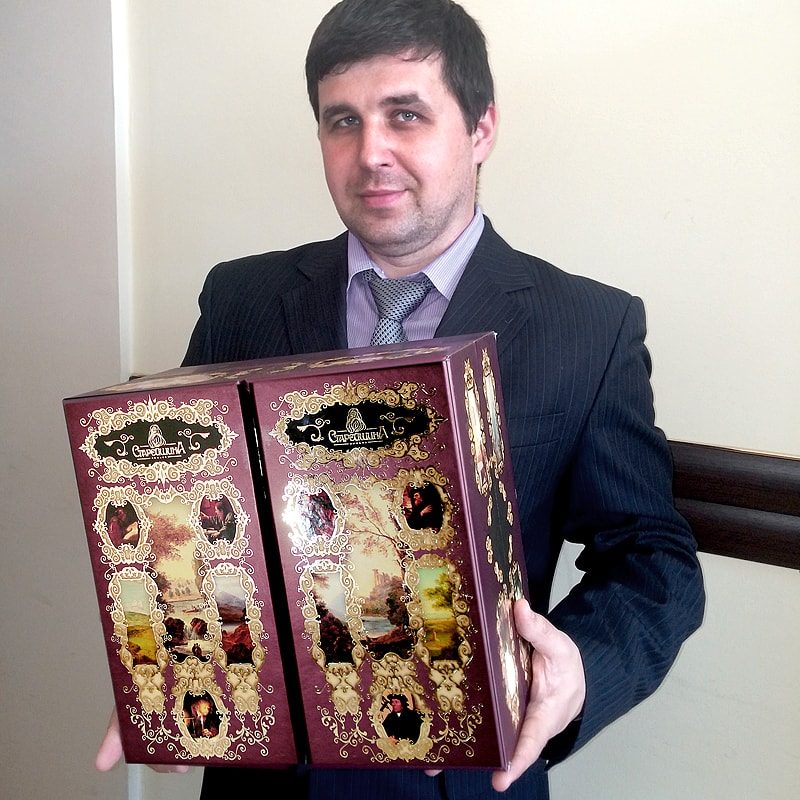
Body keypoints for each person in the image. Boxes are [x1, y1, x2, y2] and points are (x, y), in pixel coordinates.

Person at [97, 1, 705, 798]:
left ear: (481, 128)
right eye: (342, 121)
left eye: (405, 115)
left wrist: (576, 672)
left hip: (463, 778)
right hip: (266, 779)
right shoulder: (242, 299)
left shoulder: (588, 327)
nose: (371, 153)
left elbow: (653, 557)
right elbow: (189, 517)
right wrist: (171, 668)